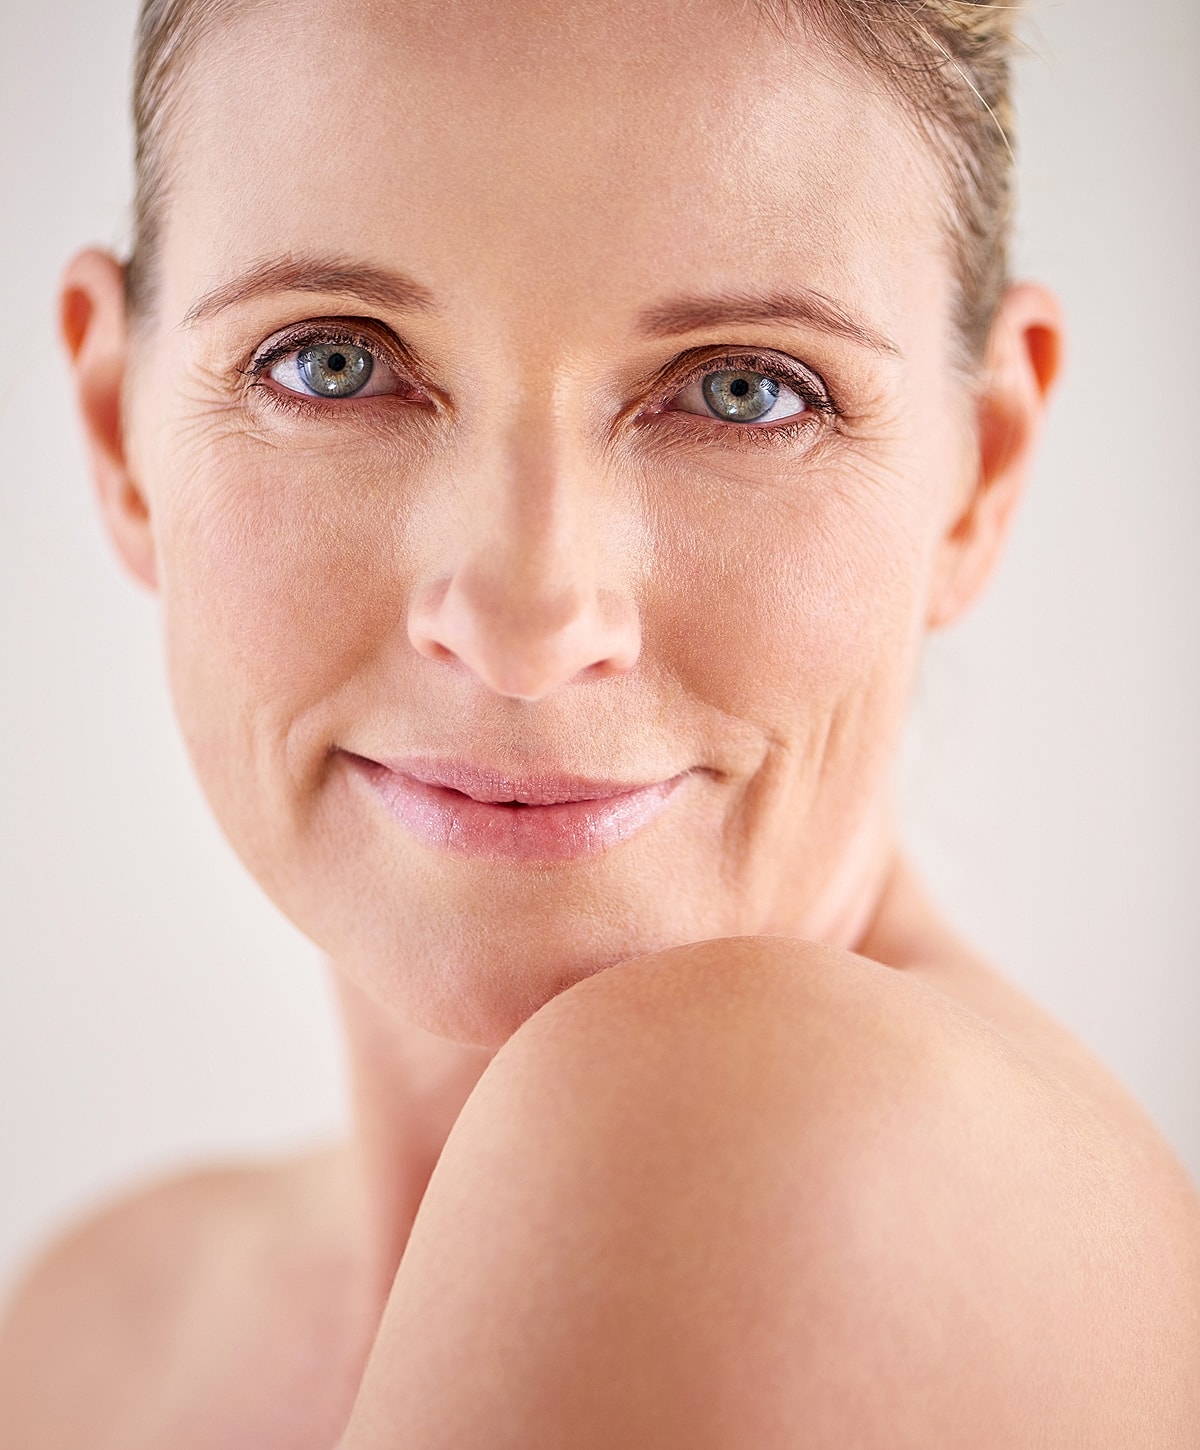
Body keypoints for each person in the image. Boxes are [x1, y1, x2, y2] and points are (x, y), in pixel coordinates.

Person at [1, 0, 1198, 1444]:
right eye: (334, 361)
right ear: (116, 424)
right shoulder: (93, 1328)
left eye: (742, 391)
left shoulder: (784, 1162)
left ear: (982, 468)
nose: (523, 620)